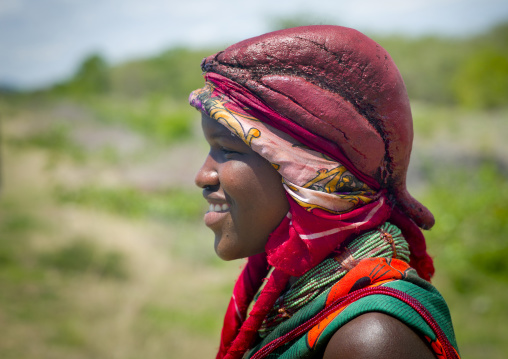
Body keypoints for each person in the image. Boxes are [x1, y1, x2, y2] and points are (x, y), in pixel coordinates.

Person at [190, 25, 460, 359]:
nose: (203, 176)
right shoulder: (297, 291)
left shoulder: (369, 339)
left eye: (229, 151)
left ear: (310, 175)